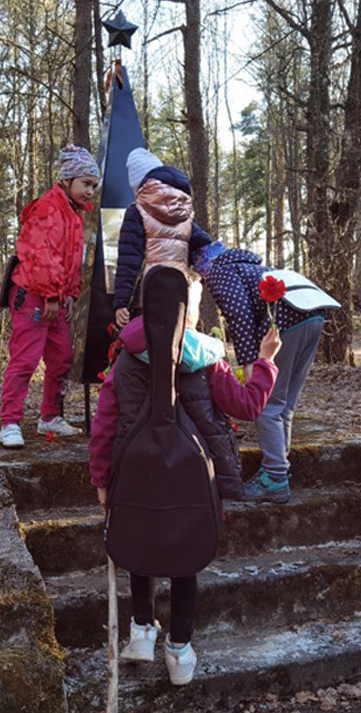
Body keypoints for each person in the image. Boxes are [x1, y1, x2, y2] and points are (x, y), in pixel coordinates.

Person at [89, 271, 280, 686]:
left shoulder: (123, 357)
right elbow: (248, 406)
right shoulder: (207, 359)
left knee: (141, 540)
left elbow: (104, 426)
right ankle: (179, 649)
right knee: (184, 555)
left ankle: (141, 630)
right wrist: (265, 362)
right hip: (194, 480)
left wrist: (102, 481)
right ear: (188, 312)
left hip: (134, 474)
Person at [195, 244, 336, 504]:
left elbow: (238, 313)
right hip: (313, 315)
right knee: (285, 404)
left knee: (268, 404)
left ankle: (274, 477)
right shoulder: (248, 265)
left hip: (285, 319)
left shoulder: (220, 271)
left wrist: (250, 361)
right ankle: (278, 467)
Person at [0, 145, 100, 448]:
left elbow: (71, 261)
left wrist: (67, 294)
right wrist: (53, 296)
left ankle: (50, 417)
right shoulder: (48, 208)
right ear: (68, 180)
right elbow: (40, 256)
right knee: (25, 359)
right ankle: (10, 422)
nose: (90, 191)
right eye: (86, 184)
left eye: (94, 186)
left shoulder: (74, 214)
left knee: (62, 358)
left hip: (57, 299)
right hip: (33, 296)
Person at [112, 148, 215, 327]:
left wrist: (121, 302)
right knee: (177, 344)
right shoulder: (184, 212)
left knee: (147, 346)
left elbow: (129, 260)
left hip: (149, 295)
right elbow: (204, 243)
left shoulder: (137, 211)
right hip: (181, 292)